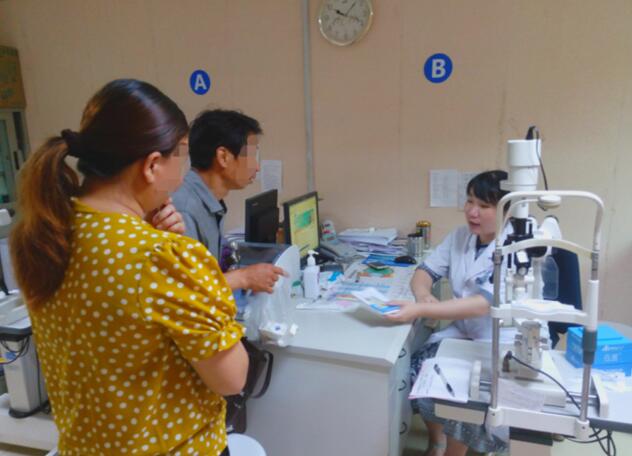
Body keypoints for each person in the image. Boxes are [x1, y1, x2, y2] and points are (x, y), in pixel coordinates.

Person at [10, 79, 247, 456]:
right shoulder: (164, 256)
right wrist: (195, 273)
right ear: (152, 165)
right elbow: (232, 379)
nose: (182, 175)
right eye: (180, 157)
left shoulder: (45, 234)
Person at [386, 170, 511, 456]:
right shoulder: (460, 236)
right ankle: (438, 440)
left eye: (484, 205)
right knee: (415, 370)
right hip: (464, 332)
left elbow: (483, 304)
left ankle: (456, 451)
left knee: (461, 396)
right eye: (469, 201)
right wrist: (422, 294)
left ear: (507, 211)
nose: (472, 212)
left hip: (498, 341)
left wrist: (424, 308)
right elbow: (424, 271)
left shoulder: (515, 247)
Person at [172, 109, 285, 294]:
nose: (256, 167)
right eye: (250, 155)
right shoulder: (184, 209)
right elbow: (185, 288)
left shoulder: (208, 201)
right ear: (223, 157)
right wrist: (244, 277)